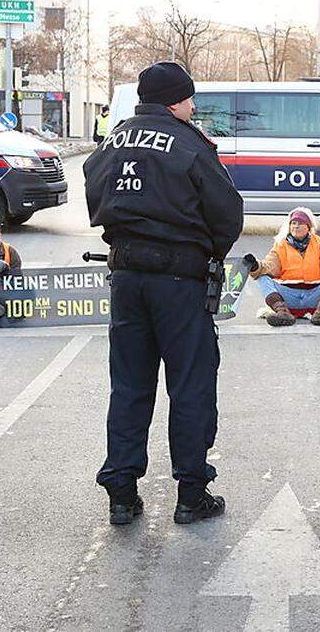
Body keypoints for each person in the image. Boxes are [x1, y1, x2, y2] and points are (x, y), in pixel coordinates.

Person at [84, 61, 244, 526]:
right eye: (190, 99)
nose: (193, 107)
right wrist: (203, 251)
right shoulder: (189, 143)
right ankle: (191, 493)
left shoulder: (113, 139)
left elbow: (94, 193)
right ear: (176, 100)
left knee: (130, 385)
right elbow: (227, 214)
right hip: (179, 281)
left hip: (127, 277)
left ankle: (121, 492)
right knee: (190, 384)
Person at [245, 207, 320, 327]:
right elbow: (269, 267)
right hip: (288, 296)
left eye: (300, 223)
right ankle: (282, 313)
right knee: (261, 278)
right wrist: (255, 266)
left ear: (308, 227)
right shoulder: (280, 246)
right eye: (293, 223)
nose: (296, 226)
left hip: (314, 295)